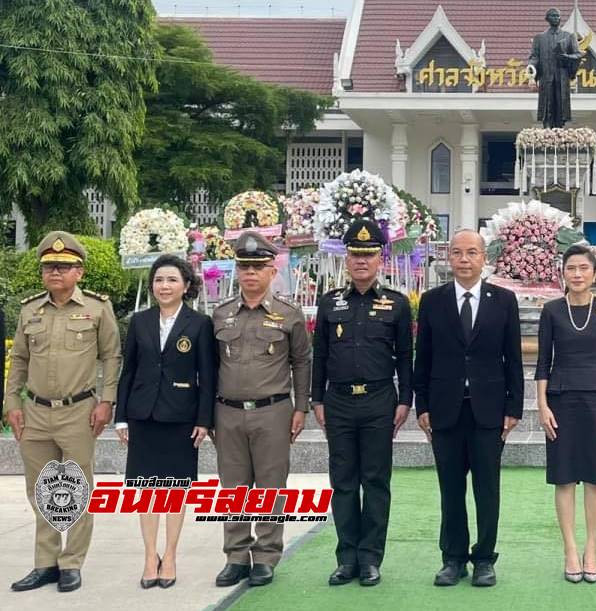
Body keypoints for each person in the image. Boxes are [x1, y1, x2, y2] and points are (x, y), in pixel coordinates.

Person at [6, 231, 122, 593]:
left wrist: (106, 402)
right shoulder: (30, 310)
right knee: (41, 490)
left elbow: (112, 357)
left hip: (79, 412)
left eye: (63, 266)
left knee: (78, 488)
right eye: (49, 267)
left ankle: (71, 562)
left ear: (80, 272)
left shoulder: (98, 309)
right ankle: (46, 563)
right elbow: (19, 360)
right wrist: (12, 403)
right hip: (36, 412)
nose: (55, 272)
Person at [413, 229, 523, 587]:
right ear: (449, 258)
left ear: (483, 258)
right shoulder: (432, 300)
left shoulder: (503, 301)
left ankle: (485, 559)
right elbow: (423, 359)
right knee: (450, 489)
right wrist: (422, 405)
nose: (464, 259)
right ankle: (453, 558)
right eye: (457, 253)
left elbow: (514, 360)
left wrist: (514, 407)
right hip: (445, 410)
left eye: (471, 252)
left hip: (488, 411)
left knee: (487, 489)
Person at [311, 219, 413, 587]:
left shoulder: (397, 304)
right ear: (346, 258)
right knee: (342, 482)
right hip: (337, 402)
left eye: (368, 255)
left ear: (379, 259)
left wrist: (405, 401)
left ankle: (371, 558)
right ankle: (347, 557)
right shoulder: (329, 302)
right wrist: (316, 399)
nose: (361, 262)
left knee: (375, 481)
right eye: (355, 254)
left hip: (379, 401)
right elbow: (319, 355)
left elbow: (405, 356)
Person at [211, 231, 312, 588]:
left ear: (273, 271)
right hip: (228, 412)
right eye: (244, 267)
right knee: (233, 487)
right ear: (237, 271)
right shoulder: (221, 315)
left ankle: (266, 556)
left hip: (273, 411)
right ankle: (236, 556)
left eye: (258, 266)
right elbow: (209, 368)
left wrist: (302, 408)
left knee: (270, 486)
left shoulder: (288, 315)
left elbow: (302, 362)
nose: (250, 273)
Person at [115, 254, 216, 589]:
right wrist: (121, 418)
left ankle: (169, 556)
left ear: (186, 285)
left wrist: (204, 419)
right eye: (159, 279)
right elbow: (127, 371)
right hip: (142, 416)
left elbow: (208, 376)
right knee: (146, 490)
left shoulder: (199, 323)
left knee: (174, 490)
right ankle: (149, 556)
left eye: (172, 279)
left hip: (180, 418)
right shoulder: (139, 321)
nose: (164, 286)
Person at [536, 244, 596, 583]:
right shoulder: (552, 311)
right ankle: (570, 549)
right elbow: (542, 362)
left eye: (583, 269)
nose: (577, 274)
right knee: (563, 478)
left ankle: (591, 547)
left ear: (594, 274)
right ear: (563, 272)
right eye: (571, 268)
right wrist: (542, 405)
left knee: (595, 477)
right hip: (560, 401)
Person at [526, 7, 582, 128]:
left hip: (561, 77)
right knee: (547, 106)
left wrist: (565, 56)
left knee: (560, 106)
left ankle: (559, 129)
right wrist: (531, 67)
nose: (556, 18)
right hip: (546, 77)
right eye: (553, 16)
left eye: (558, 16)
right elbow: (534, 56)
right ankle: (547, 130)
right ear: (547, 19)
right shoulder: (539, 38)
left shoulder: (568, 36)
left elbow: (578, 55)